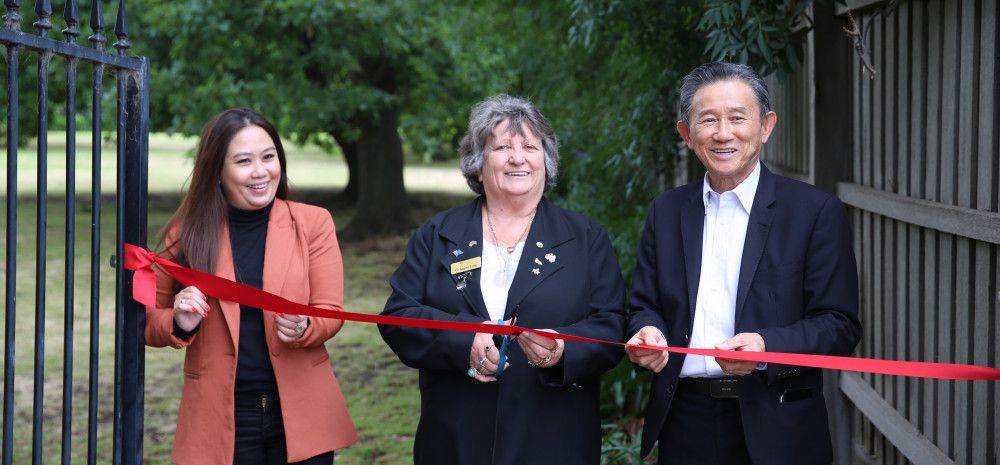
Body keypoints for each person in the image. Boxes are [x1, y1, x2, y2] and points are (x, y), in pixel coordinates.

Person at [625, 62, 862, 465]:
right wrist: (647, 332)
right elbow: (644, 306)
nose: (723, 133)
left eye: (737, 118)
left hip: (778, 421)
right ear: (686, 133)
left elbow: (840, 324)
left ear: (766, 126)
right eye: (708, 120)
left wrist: (766, 347)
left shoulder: (814, 211)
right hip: (685, 420)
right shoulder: (666, 212)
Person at [379, 94, 626, 465]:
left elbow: (612, 326)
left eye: (530, 147)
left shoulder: (586, 238)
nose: (517, 158)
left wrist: (564, 350)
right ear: (479, 166)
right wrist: (464, 339)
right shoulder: (438, 234)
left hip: (554, 439)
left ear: (546, 162)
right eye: (502, 147)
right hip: (455, 438)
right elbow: (398, 317)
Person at [144, 108, 357, 465]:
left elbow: (331, 312)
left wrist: (305, 326)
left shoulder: (313, 223)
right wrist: (178, 322)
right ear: (217, 170)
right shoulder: (185, 234)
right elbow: (147, 321)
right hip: (220, 416)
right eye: (244, 161)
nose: (260, 171)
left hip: (302, 413)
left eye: (268, 157)